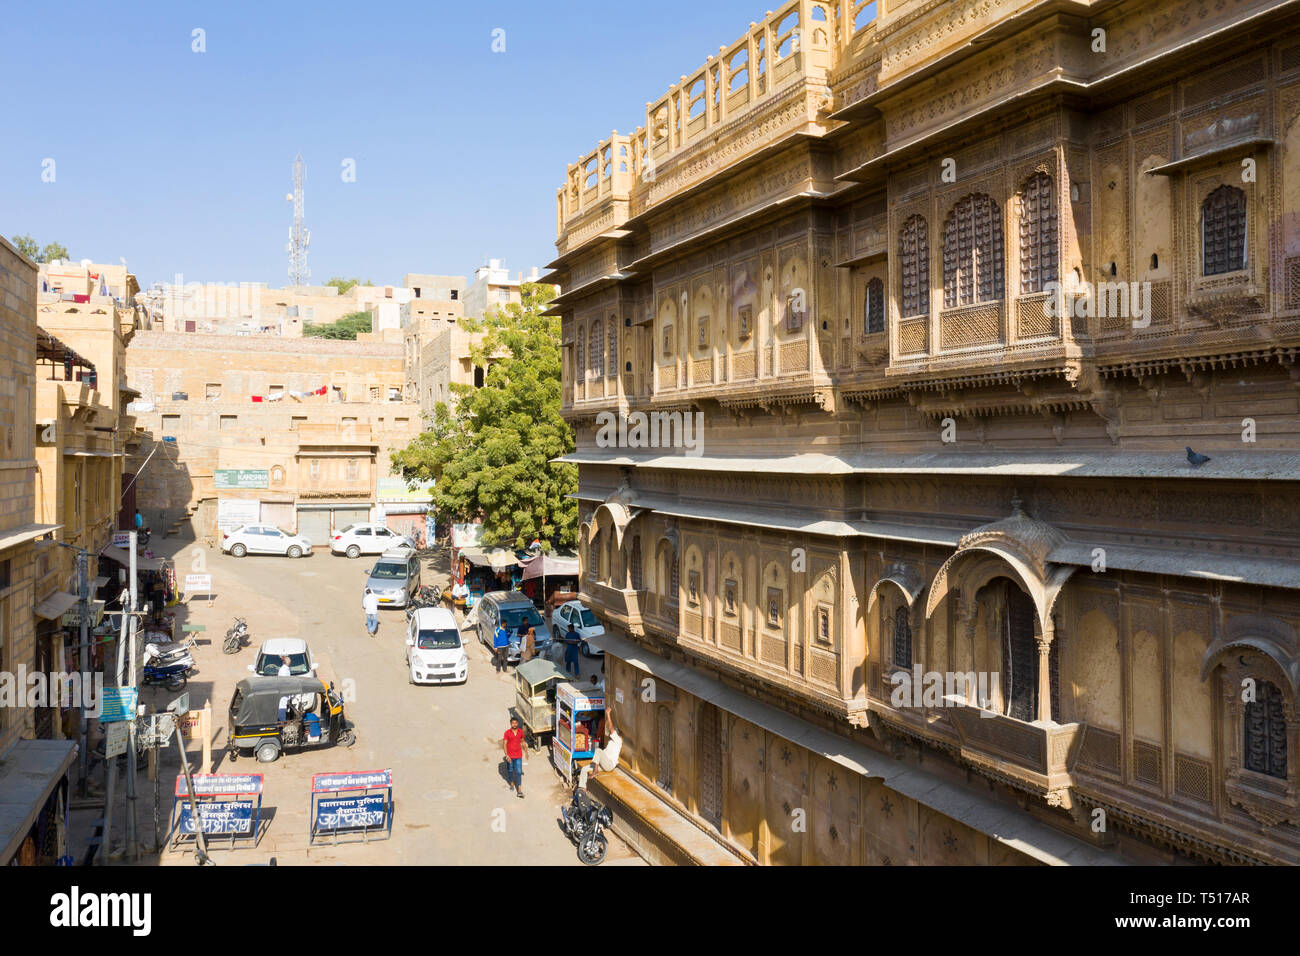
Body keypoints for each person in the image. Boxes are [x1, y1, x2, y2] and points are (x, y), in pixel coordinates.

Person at [503, 716, 527, 798]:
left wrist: (526, 752)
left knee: (519, 772)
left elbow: (523, 742)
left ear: (517, 723)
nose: (514, 724)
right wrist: (506, 755)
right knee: (510, 770)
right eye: (513, 723)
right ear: (510, 724)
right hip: (510, 756)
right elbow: (505, 744)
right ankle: (512, 783)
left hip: (518, 755)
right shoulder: (507, 733)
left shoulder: (520, 732)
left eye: (516, 723)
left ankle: (519, 790)